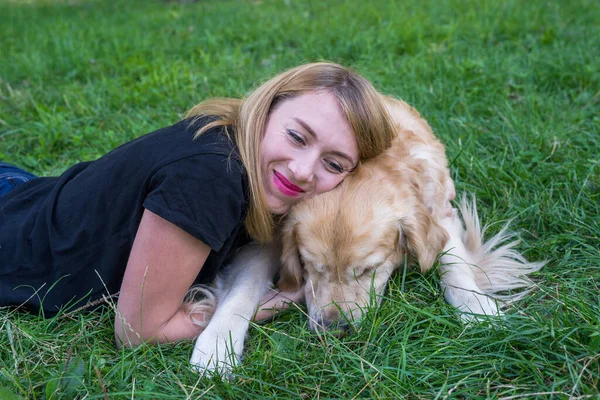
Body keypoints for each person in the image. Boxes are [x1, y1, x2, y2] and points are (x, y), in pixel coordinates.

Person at [0, 62, 396, 347]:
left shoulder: (249, 156)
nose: (303, 171)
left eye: (333, 163)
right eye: (297, 136)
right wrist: (271, 304)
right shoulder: (209, 180)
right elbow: (138, 332)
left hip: (30, 190)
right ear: (268, 108)